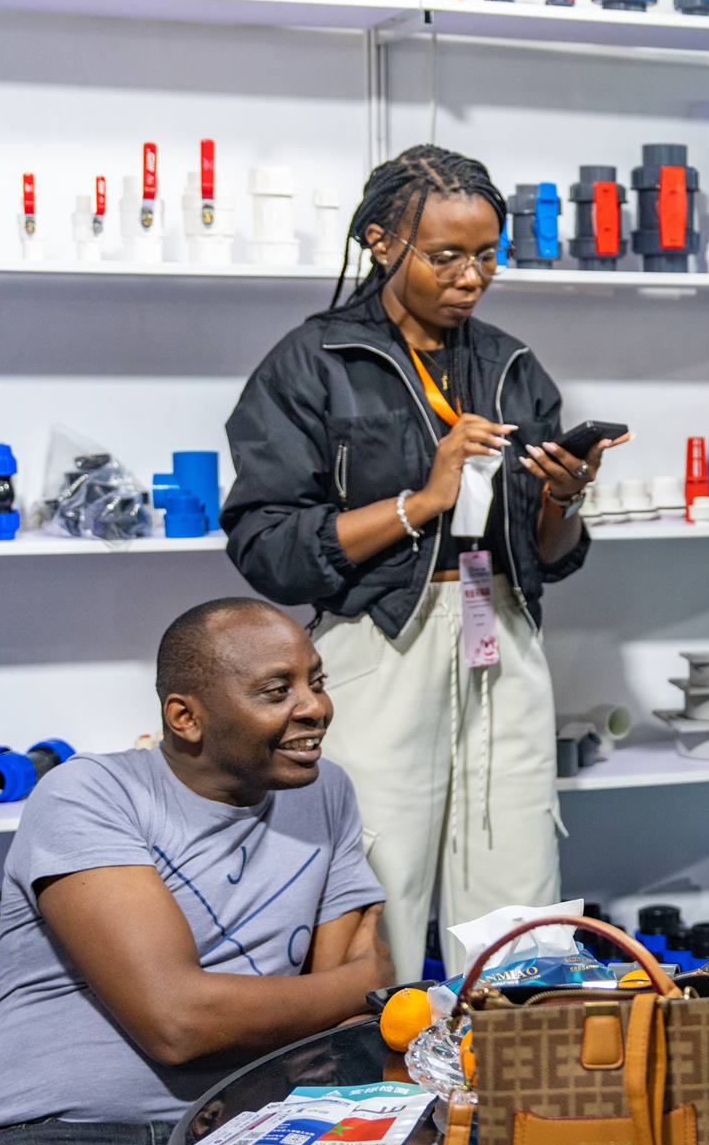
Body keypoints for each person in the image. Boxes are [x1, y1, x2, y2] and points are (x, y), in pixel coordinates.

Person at [222, 145, 625, 981]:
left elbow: (552, 557)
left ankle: (517, 1084)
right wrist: (422, 499)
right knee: (377, 882)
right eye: (445, 256)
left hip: (500, 632)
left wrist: (564, 496)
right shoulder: (315, 362)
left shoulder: (512, 365)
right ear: (380, 241)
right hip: (378, 645)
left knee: (519, 884)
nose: (470, 276)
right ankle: (378, 1086)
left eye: (487, 255)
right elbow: (265, 545)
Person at [0, 599, 391, 1145]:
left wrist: (352, 989)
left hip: (248, 1125)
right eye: (278, 691)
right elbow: (176, 1024)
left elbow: (340, 1031)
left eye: (316, 682)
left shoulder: (325, 792)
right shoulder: (88, 793)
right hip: (61, 1129)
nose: (315, 708)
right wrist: (357, 982)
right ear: (186, 717)